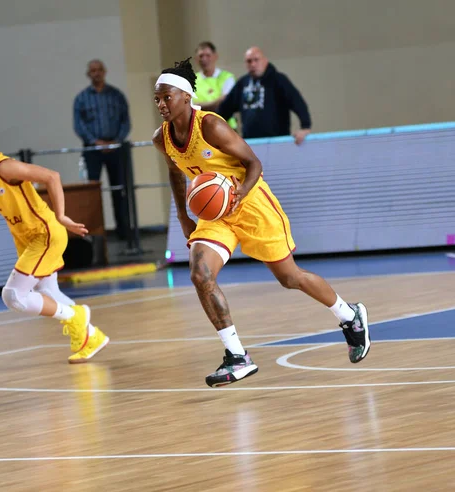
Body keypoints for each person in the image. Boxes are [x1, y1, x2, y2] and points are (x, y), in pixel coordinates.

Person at [152, 58, 369, 387]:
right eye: (157, 99)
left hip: (250, 203)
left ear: (184, 96)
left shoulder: (211, 126)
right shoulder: (162, 138)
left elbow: (254, 163)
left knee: (290, 277)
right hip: (213, 214)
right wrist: (183, 215)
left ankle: (349, 315)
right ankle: (237, 356)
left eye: (166, 97)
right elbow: (174, 173)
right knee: (200, 274)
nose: (161, 104)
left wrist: (239, 192)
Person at [0, 111, 109, 363]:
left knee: (13, 296)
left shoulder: (4, 166)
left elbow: (51, 176)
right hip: (24, 238)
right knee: (48, 291)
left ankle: (76, 317)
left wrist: (62, 215)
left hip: (45, 234)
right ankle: (91, 336)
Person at [73, 59, 131, 240]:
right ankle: (95, 235)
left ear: (104, 72)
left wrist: (116, 141)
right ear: (88, 74)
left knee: (119, 190)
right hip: (92, 151)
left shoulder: (116, 96)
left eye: (99, 70)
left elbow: (125, 121)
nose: (96, 73)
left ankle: (124, 233)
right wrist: (95, 142)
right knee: (92, 193)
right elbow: (79, 125)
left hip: (116, 149)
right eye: (93, 71)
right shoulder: (81, 98)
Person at [217, 46, 312, 145]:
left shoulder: (279, 80)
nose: (253, 64)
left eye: (256, 60)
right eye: (249, 61)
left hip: (277, 142)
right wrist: (215, 131)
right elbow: (225, 109)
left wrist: (305, 127)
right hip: (250, 144)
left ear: (265, 61)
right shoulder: (242, 83)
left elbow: (298, 103)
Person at [192, 41, 237, 131]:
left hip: (226, 128)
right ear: (196, 59)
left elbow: (227, 102)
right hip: (202, 130)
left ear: (215, 56)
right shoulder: (192, 80)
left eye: (208, 55)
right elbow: (189, 106)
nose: (204, 59)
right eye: (201, 56)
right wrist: (216, 103)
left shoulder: (227, 77)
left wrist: (200, 107)